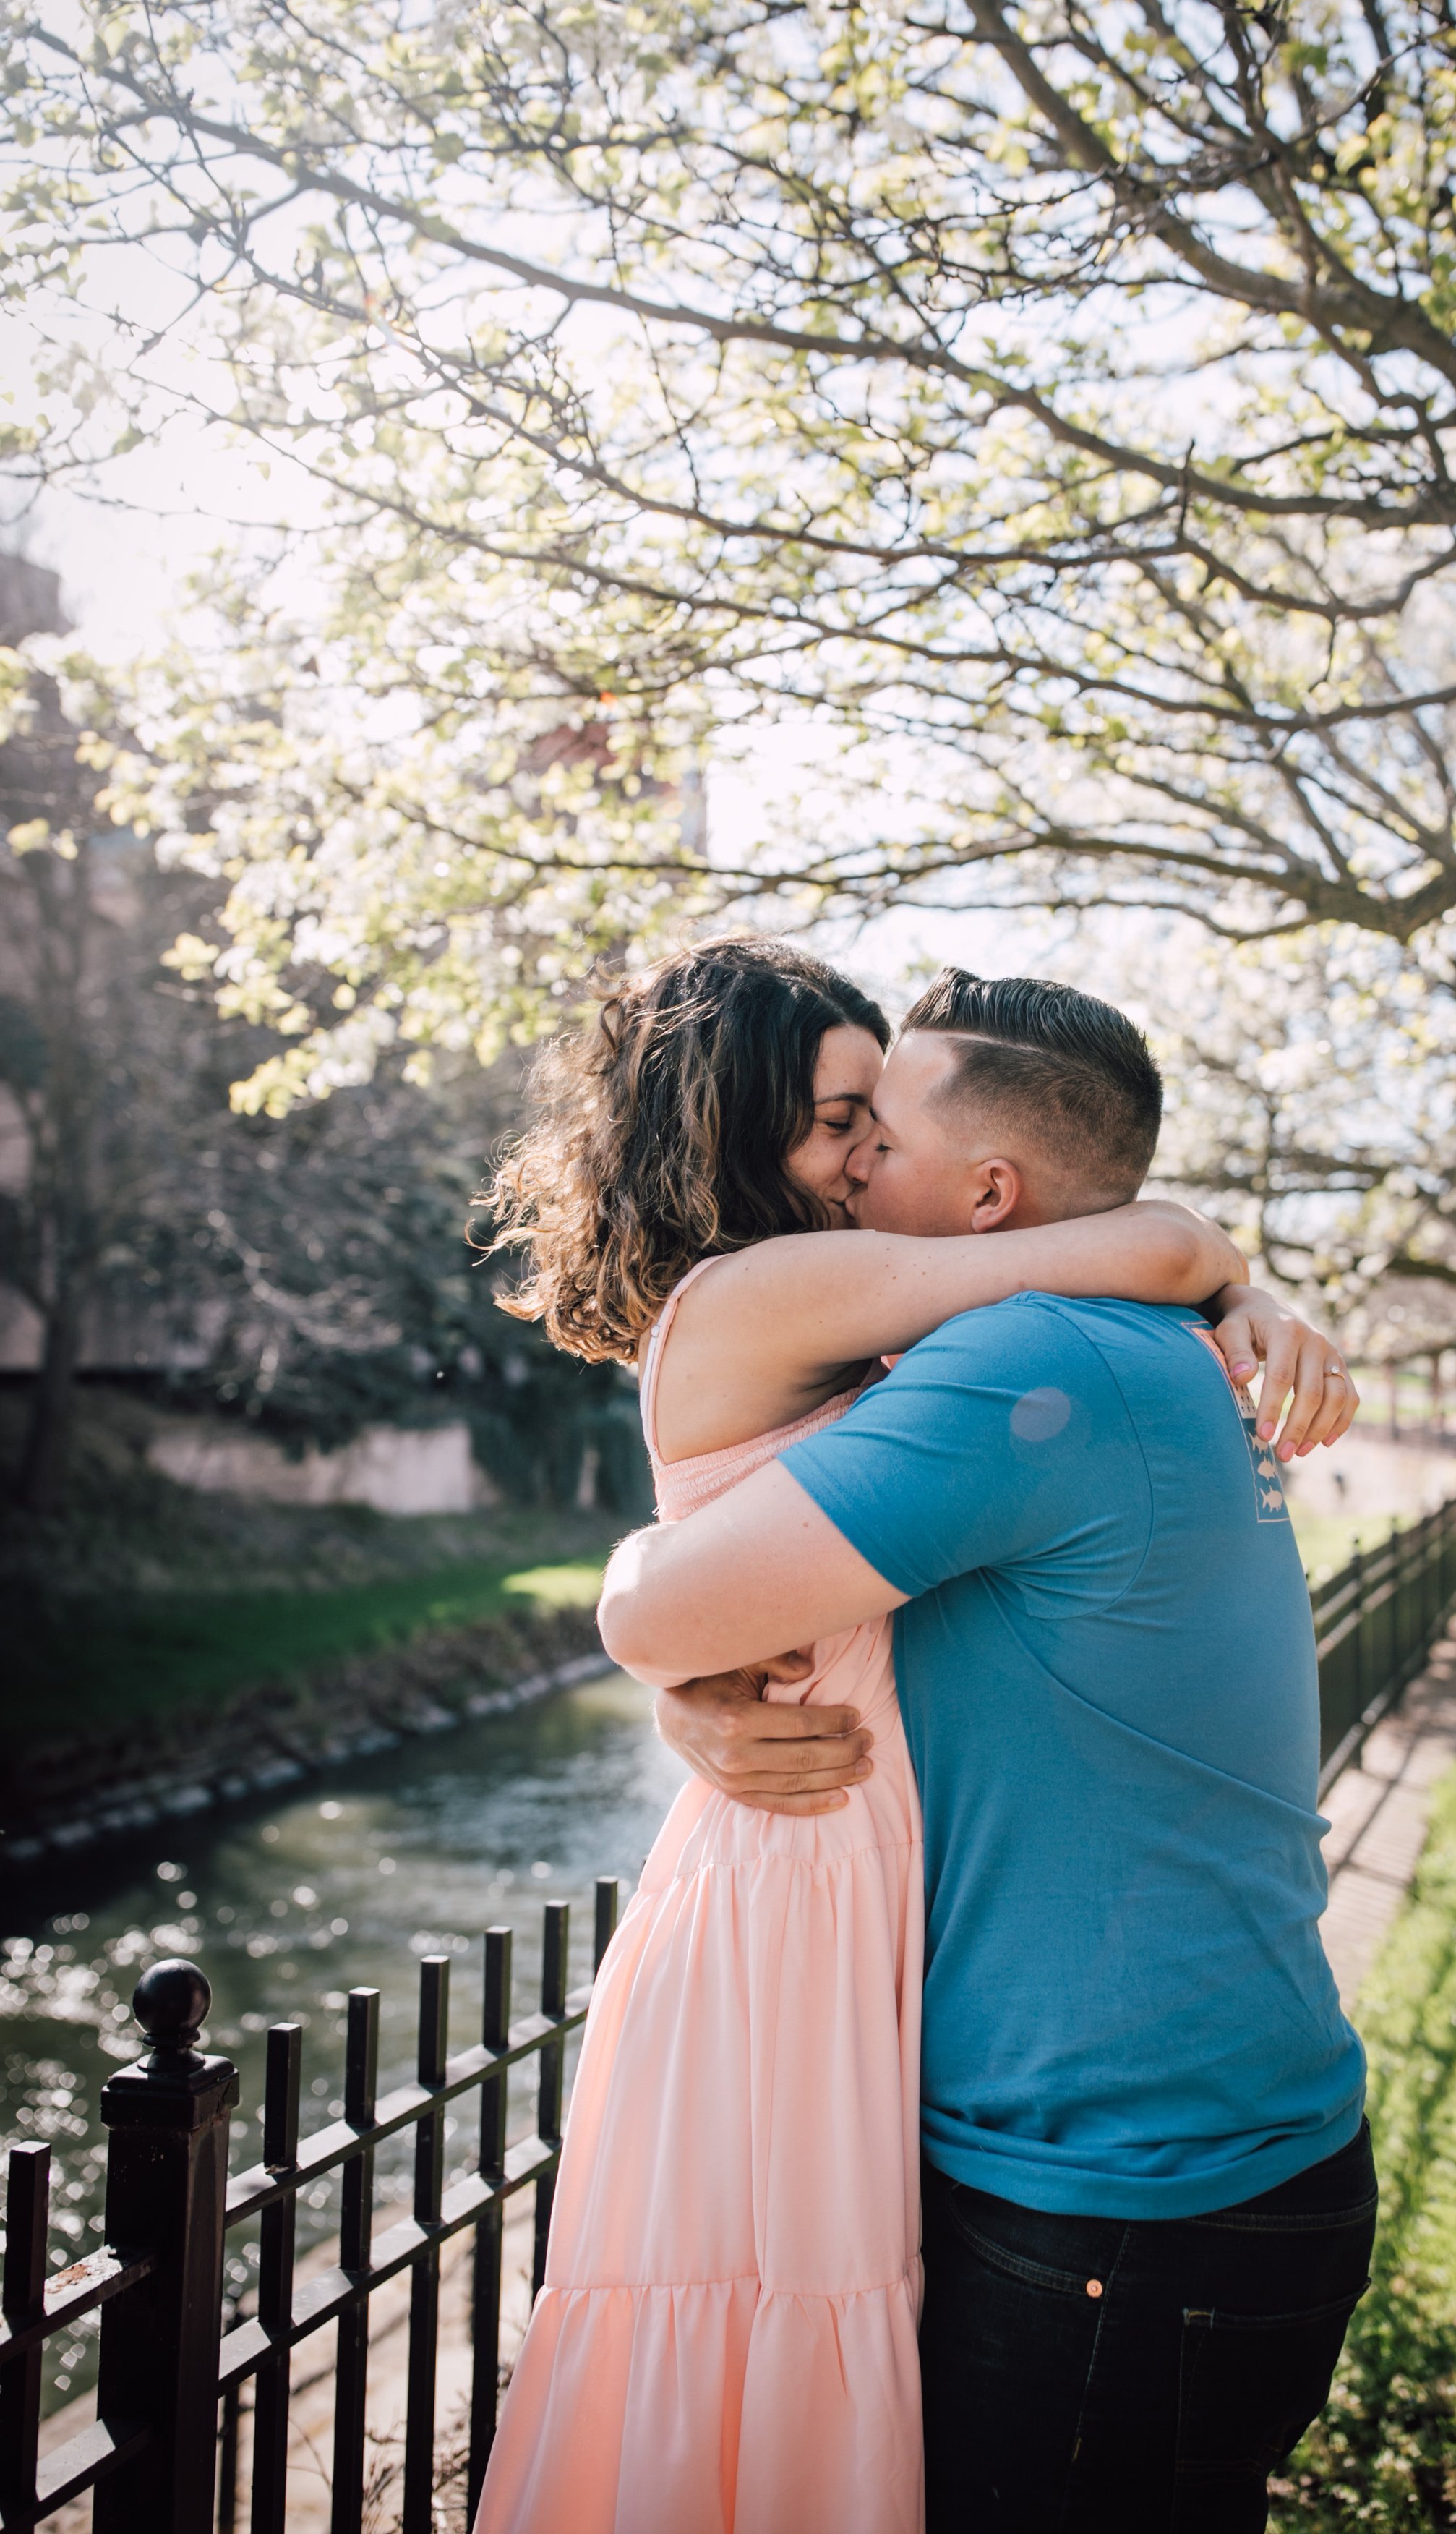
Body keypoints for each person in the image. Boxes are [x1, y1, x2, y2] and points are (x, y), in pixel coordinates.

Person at [474, 939, 1343, 2534]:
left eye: (884, 1127)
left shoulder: (1027, 1359)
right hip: (1143, 2116)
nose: (864, 1157)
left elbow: (680, 1601)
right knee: (769, 2331)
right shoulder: (1043, 1340)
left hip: (1115, 2180)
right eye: (837, 1125)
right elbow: (692, 1598)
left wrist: (667, 1641)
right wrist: (1222, 1269)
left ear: (996, 1191)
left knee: (784, 2349)